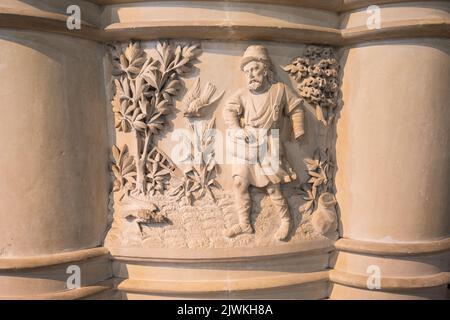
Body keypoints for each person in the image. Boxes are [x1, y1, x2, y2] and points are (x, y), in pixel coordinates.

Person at [223, 45, 305, 241]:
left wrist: (299, 129)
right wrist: (236, 129)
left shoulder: (279, 91)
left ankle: (286, 221)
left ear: (266, 69)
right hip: (248, 144)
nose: (250, 75)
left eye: (255, 69)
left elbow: (296, 108)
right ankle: (244, 224)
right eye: (247, 71)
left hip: (269, 144)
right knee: (239, 182)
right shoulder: (243, 94)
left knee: (272, 188)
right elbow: (229, 110)